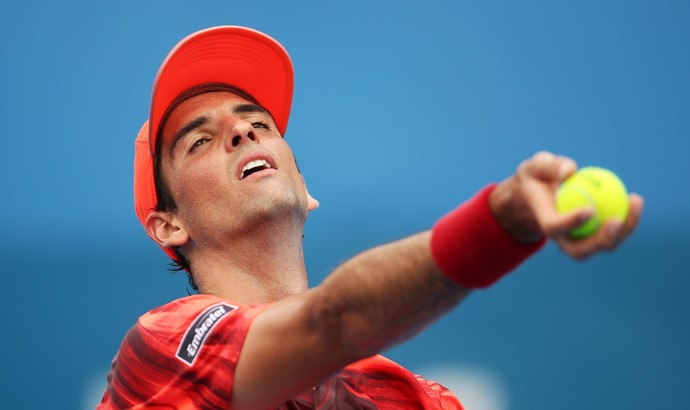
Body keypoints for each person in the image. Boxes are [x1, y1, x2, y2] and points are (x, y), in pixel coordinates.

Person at [98, 26, 644, 410]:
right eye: (199, 142)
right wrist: (501, 222)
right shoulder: (163, 348)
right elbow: (333, 322)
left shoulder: (408, 397)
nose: (243, 133)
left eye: (258, 123)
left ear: (304, 188)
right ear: (168, 225)